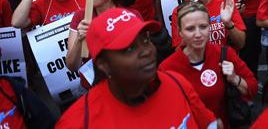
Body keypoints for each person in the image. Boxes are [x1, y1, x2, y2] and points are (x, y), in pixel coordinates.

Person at [57, 8, 220, 128]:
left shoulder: (176, 83)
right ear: (103, 64)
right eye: (129, 48)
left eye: (145, 40)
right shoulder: (80, 122)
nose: (146, 52)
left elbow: (210, 124)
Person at [159, 1, 257, 127]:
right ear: (180, 32)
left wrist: (235, 79)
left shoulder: (225, 54)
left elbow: (252, 88)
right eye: (190, 29)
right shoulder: (167, 68)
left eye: (203, 27)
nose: (198, 34)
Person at [65, 0, 136, 73]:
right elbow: (72, 66)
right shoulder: (81, 16)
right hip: (94, 84)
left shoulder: (130, 16)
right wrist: (79, 40)